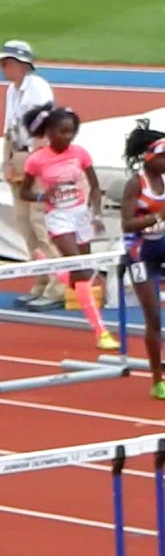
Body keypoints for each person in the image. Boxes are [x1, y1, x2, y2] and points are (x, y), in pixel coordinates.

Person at [18, 104, 118, 351]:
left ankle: (53, 268)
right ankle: (101, 331)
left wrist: (96, 212)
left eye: (71, 132)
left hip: (81, 215)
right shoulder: (37, 160)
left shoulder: (80, 154)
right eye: (62, 132)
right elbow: (24, 192)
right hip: (58, 218)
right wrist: (43, 196)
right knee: (82, 273)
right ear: (49, 131)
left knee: (80, 275)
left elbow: (94, 187)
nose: (67, 137)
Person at [0, 39, 65, 311]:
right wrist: (6, 160)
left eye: (5, 63)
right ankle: (42, 278)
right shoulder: (11, 91)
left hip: (35, 159)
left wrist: (33, 166)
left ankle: (58, 284)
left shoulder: (38, 88)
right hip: (17, 155)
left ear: (21, 64)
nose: (1, 67)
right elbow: (8, 129)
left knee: (40, 223)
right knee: (25, 225)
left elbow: (43, 134)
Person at [119, 120, 165, 400]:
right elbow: (125, 224)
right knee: (153, 317)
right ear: (148, 157)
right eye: (163, 156)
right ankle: (157, 380)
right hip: (140, 253)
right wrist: (157, 217)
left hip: (163, 245)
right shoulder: (136, 184)